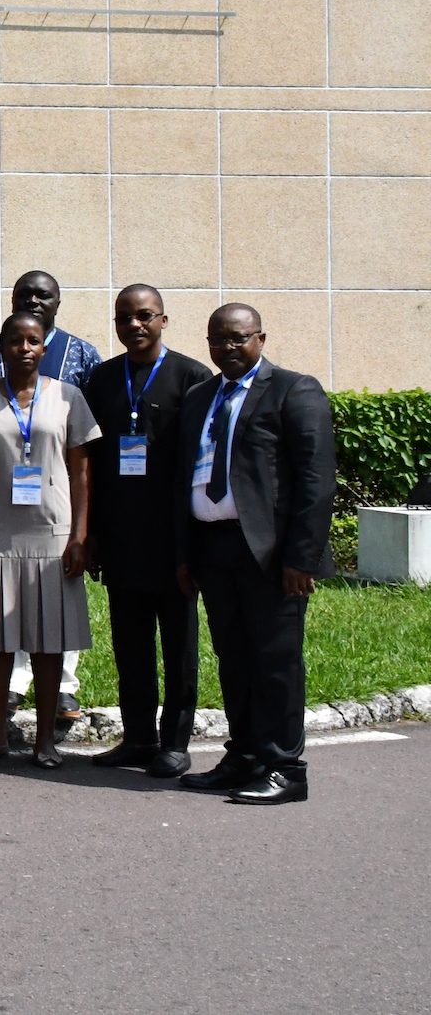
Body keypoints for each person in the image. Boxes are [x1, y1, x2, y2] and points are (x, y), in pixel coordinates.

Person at [174, 304, 335, 806]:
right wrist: (185, 555)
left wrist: (301, 559)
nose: (227, 349)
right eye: (217, 340)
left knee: (276, 660)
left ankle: (286, 768)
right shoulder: (201, 396)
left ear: (260, 338)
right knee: (234, 657)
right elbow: (185, 477)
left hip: (269, 555)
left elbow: (315, 480)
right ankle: (243, 755)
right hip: (213, 547)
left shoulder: (294, 389)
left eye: (238, 339)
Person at [0, 313, 103, 769]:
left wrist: (80, 534)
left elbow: (81, 471)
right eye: (15, 341)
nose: (24, 348)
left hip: (52, 532)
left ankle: (44, 740)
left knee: (48, 639)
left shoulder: (68, 396)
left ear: (45, 348)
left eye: (34, 341)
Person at [85, 284, 214, 777]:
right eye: (124, 318)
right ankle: (137, 737)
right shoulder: (102, 378)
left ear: (163, 319)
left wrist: (191, 545)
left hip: (173, 538)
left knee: (178, 644)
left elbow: (198, 463)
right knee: (130, 644)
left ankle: (175, 742)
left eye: (144, 316)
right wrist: (93, 534)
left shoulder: (192, 377)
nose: (133, 326)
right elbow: (91, 462)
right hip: (121, 536)